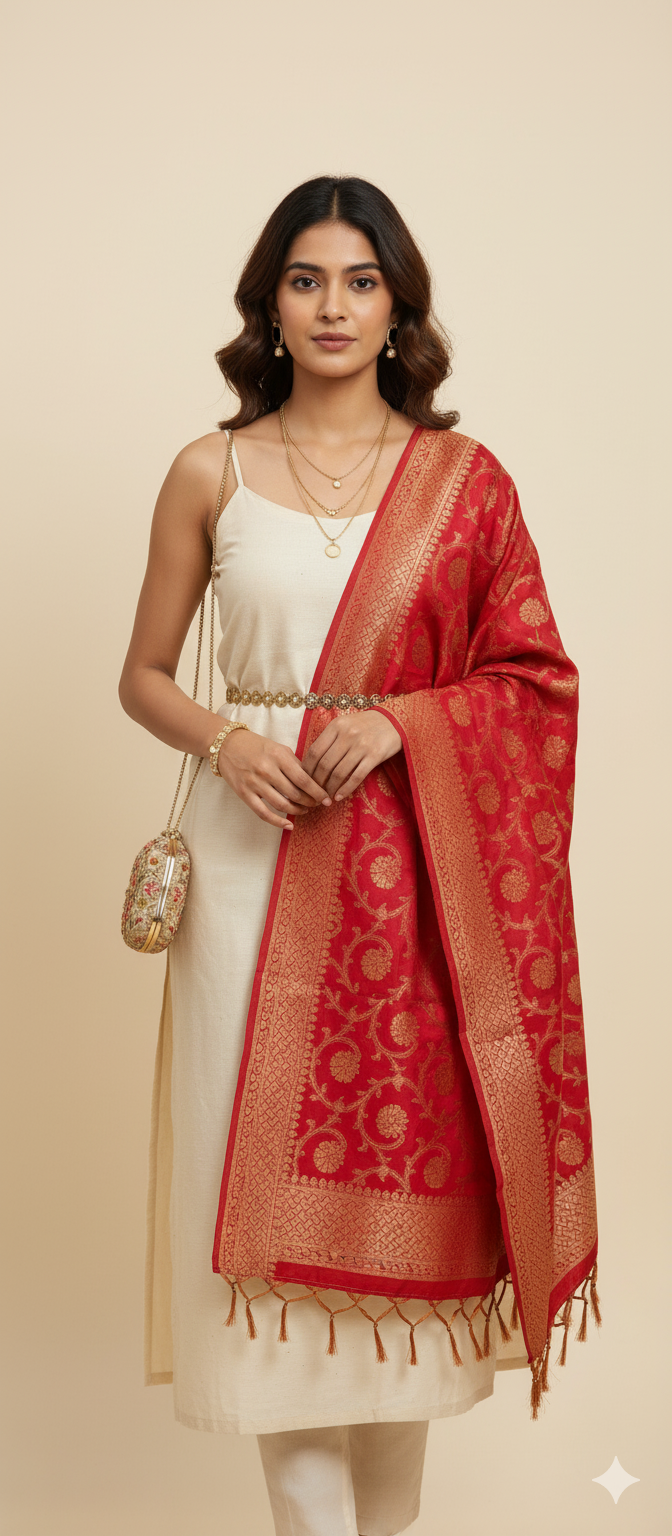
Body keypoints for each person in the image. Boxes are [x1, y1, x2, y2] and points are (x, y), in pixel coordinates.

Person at [119, 176, 598, 1536]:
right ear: (269, 302)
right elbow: (144, 674)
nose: (333, 306)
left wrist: (400, 725)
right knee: (257, 1238)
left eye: (361, 281)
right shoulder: (209, 468)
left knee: (402, 1268)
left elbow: (535, 679)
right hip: (247, 867)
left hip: (416, 892)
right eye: (306, 279)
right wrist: (226, 742)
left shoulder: (464, 482)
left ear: (400, 307)